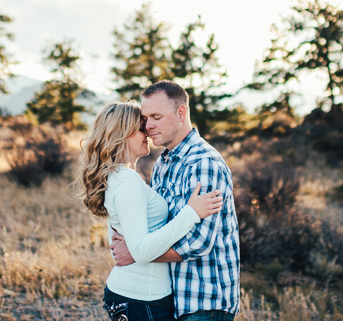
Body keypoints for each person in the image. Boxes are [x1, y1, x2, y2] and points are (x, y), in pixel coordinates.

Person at [75, 100, 224, 321]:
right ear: (122, 133)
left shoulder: (119, 176)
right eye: (140, 127)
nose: (147, 132)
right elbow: (141, 251)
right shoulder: (127, 181)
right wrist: (190, 213)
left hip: (136, 294)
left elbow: (116, 240)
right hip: (142, 298)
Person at [111, 81, 240, 320]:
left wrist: (137, 253)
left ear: (181, 113)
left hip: (204, 301)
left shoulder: (204, 162)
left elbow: (199, 241)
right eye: (145, 118)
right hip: (172, 298)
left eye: (156, 117)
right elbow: (159, 226)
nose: (148, 126)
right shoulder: (163, 163)